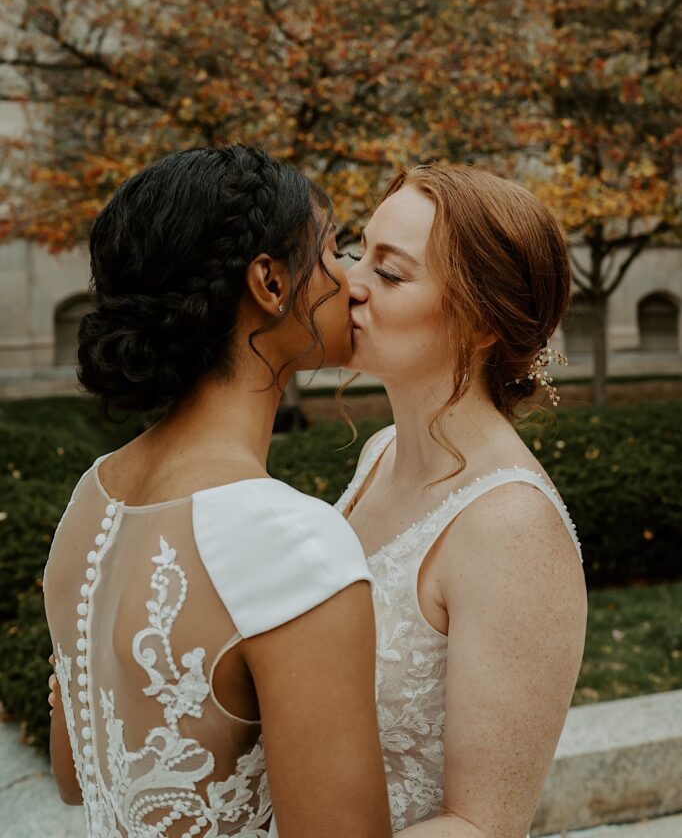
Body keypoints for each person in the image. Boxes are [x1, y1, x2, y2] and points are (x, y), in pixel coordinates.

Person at [43, 145, 391, 838]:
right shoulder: (291, 543)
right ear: (268, 281)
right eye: (332, 252)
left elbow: (74, 774)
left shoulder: (92, 498)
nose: (352, 282)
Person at [337, 163, 587, 837]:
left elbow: (481, 825)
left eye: (389, 273)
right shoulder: (379, 452)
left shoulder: (511, 528)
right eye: (358, 252)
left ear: (481, 323)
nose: (348, 284)